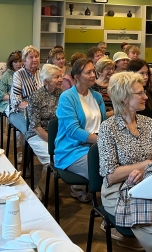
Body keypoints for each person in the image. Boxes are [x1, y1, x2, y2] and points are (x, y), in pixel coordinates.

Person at [98, 72, 152, 251]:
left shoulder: (148, 123)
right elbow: (111, 176)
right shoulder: (108, 128)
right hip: (118, 191)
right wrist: (145, 165)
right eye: (140, 93)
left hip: (148, 184)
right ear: (124, 98)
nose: (146, 96)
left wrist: (147, 169)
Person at [55, 58, 106, 202]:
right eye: (88, 72)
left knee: (122, 164)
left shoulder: (97, 96)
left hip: (97, 146)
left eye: (93, 71)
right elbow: (73, 131)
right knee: (107, 171)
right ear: (77, 77)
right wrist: (102, 141)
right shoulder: (67, 97)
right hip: (72, 150)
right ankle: (109, 207)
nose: (93, 75)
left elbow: (103, 124)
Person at [26, 64, 63, 167]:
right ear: (46, 81)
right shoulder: (36, 96)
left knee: (72, 156)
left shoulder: (63, 94)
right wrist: (53, 142)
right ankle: (47, 175)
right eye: (57, 77)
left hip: (59, 134)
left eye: (61, 76)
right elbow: (36, 127)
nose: (61, 79)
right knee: (56, 159)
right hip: (39, 135)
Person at [9, 46, 42, 137]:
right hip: (20, 111)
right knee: (32, 131)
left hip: (41, 111)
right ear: (24, 61)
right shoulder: (18, 74)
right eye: (31, 57)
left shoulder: (42, 73)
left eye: (36, 56)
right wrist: (33, 108)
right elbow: (16, 101)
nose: (34, 59)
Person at [0, 50, 23, 118]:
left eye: (20, 61)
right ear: (11, 64)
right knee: (18, 113)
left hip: (24, 102)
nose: (18, 64)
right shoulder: (6, 75)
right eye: (15, 62)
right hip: (8, 102)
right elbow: (1, 94)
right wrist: (15, 99)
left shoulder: (26, 74)